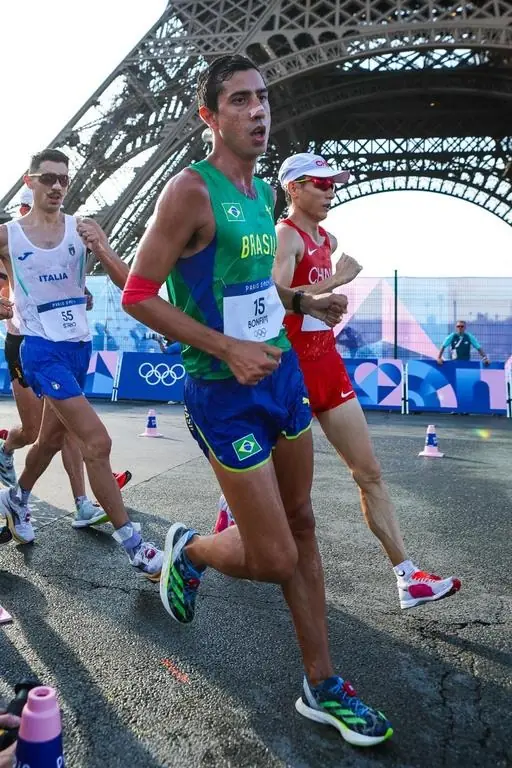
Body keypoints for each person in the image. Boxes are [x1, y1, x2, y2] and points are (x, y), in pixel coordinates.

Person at [122, 54, 393, 746]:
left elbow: (250, 285)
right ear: (209, 117)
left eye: (263, 98)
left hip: (281, 377)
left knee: (302, 524)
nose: (258, 110)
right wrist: (226, 349)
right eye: (239, 100)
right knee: (273, 557)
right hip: (223, 393)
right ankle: (191, 553)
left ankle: (322, 685)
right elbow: (138, 294)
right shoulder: (190, 191)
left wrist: (300, 301)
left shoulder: (262, 193)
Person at [216, 151, 461, 610]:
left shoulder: (328, 238)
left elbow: (312, 304)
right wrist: (336, 282)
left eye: (334, 184)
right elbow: (270, 297)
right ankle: (227, 520)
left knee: (369, 472)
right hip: (288, 371)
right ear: (294, 188)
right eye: (322, 184)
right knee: (282, 491)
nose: (331, 191)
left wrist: (329, 299)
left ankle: (407, 577)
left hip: (327, 365)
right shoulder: (284, 237)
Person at [0, 149, 161, 580]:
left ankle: (16, 498)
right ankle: (135, 547)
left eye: (63, 180)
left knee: (51, 440)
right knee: (96, 441)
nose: (56, 186)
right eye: (47, 178)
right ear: (29, 181)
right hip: (40, 350)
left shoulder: (82, 228)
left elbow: (130, 283)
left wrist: (102, 247)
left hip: (79, 348)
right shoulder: (8, 236)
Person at [0, 192, 131, 532]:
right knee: (34, 432)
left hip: (65, 344)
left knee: (64, 430)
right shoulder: (10, 239)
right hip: (26, 342)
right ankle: (8, 449)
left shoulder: (65, 236)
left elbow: (67, 286)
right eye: (26, 208)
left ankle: (79, 502)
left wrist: (79, 295)